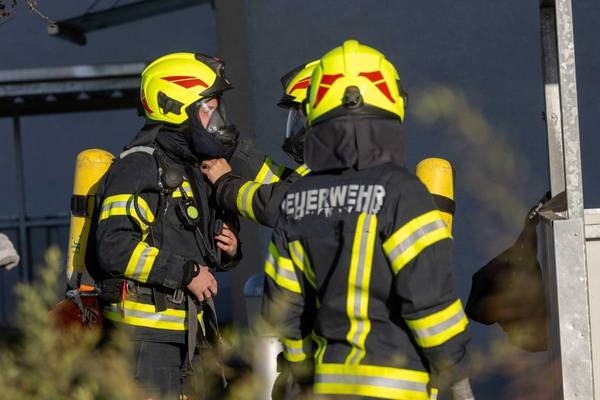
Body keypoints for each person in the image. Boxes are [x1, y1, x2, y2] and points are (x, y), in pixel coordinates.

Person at [263, 40, 473, 400]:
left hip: (326, 387)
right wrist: (457, 376)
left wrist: (302, 371)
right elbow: (430, 304)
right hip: (398, 387)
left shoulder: (296, 200)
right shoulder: (403, 192)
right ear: (392, 103)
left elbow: (284, 311)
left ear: (316, 110)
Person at [86, 52, 241, 399]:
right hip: (144, 340)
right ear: (175, 108)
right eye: (208, 109)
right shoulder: (139, 166)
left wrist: (228, 248)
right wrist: (185, 273)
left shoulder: (188, 168)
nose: (217, 119)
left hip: (186, 334)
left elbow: (184, 242)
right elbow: (114, 246)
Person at [201, 60, 318, 227]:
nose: (299, 130)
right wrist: (233, 152)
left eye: (303, 119)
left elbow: (277, 204)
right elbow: (282, 183)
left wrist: (225, 183)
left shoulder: (335, 165)